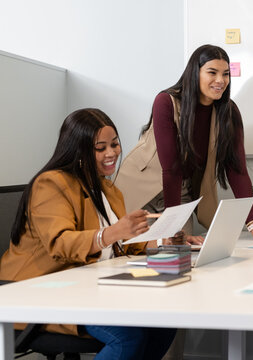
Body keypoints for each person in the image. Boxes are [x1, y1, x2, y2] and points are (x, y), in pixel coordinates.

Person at [0, 108, 177, 359]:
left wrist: (164, 241)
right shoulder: (51, 183)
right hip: (43, 291)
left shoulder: (107, 188)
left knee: (163, 323)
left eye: (114, 144)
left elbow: (124, 243)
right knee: (127, 337)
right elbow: (61, 243)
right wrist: (113, 232)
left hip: (91, 287)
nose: (112, 153)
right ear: (78, 149)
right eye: (100, 147)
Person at [115, 44, 253, 244]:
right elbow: (171, 168)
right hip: (141, 187)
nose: (220, 80)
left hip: (180, 192)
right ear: (195, 72)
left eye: (226, 74)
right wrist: (171, 227)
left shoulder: (228, 112)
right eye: (212, 72)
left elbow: (237, 170)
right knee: (126, 250)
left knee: (178, 250)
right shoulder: (166, 102)